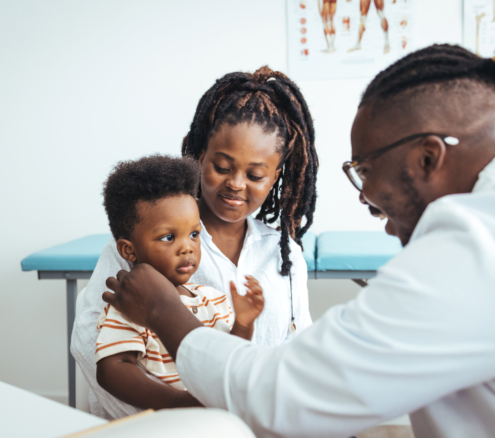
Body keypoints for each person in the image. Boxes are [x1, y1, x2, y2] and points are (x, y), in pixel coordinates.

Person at [103, 45, 495, 438]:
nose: (363, 193)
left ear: (428, 158)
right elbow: (104, 362)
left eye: (365, 170)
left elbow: (295, 384)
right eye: (222, 167)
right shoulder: (139, 244)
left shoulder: (474, 245)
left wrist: (164, 312)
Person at [71, 66, 319, 419]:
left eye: (255, 175)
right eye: (221, 166)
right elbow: (89, 347)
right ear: (200, 156)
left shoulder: (285, 255)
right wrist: (180, 421)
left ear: (275, 175)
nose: (236, 184)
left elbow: (294, 351)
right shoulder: (147, 244)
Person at [95, 155, 264, 410]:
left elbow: (227, 360)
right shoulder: (129, 306)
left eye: (194, 234)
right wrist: (176, 402)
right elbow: (111, 369)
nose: (187, 247)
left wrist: (243, 324)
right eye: (168, 237)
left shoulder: (212, 298)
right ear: (128, 250)